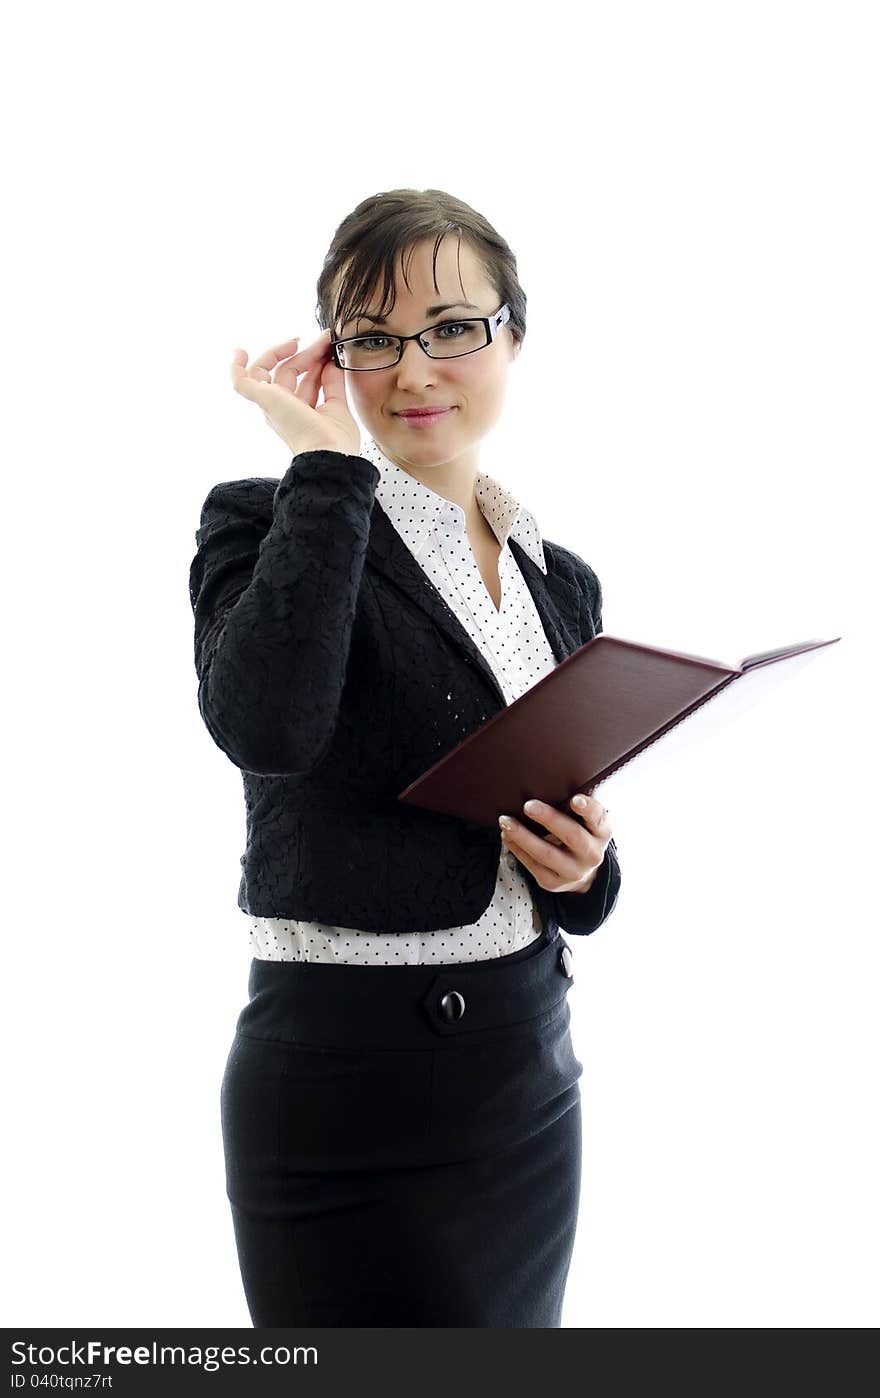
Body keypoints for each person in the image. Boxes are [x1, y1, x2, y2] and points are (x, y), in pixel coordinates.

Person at [188, 187, 622, 1327]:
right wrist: (325, 472)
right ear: (334, 360)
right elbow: (267, 729)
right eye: (374, 338)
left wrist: (585, 871)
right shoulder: (266, 523)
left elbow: (570, 806)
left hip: (527, 1072)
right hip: (341, 1086)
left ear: (512, 335)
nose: (417, 368)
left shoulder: (558, 578)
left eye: (453, 328)